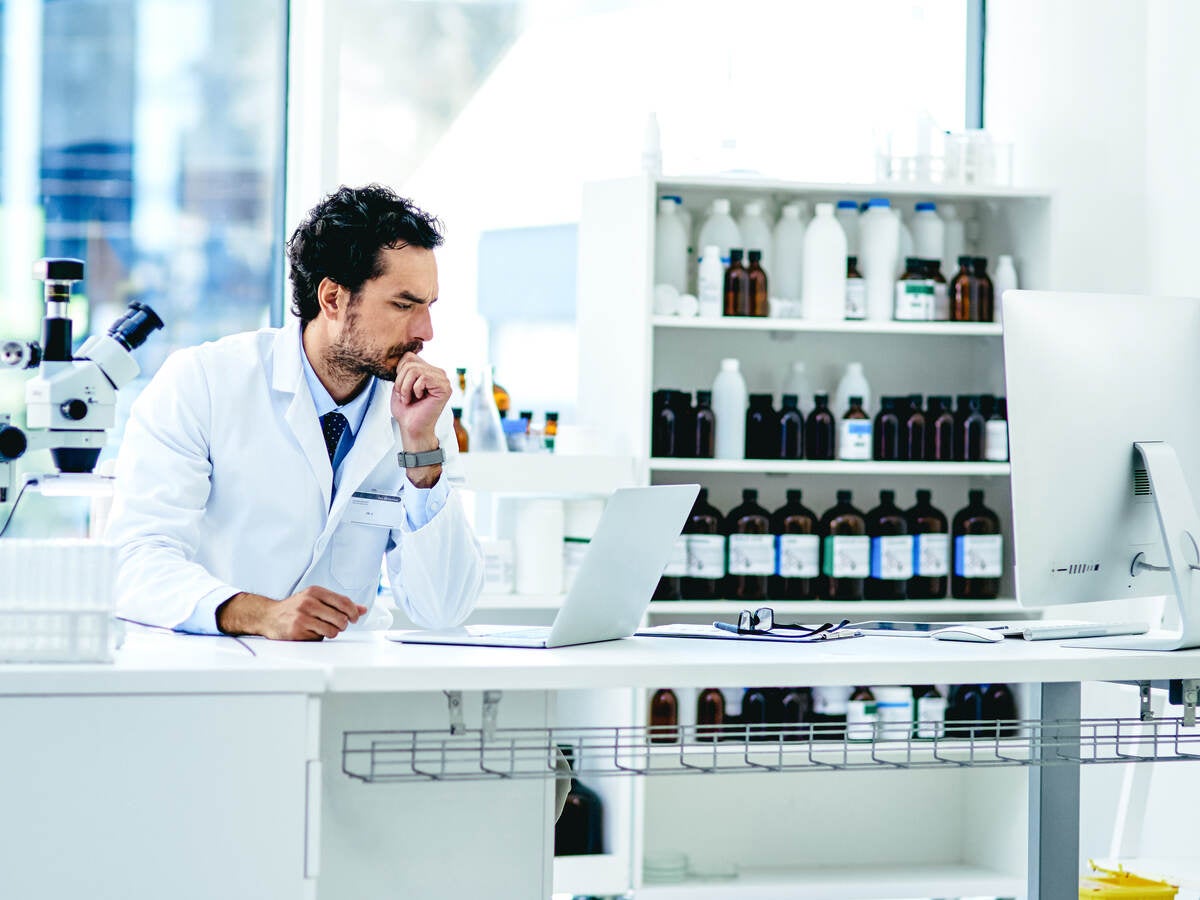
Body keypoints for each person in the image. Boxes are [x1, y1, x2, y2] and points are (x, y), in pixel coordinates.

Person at [107, 185, 484, 639]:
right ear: (332, 299)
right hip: (220, 667)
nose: (426, 331)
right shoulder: (202, 382)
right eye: (404, 305)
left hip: (347, 674)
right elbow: (136, 560)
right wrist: (260, 614)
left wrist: (422, 455)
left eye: (428, 306)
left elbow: (443, 609)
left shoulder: (418, 409)